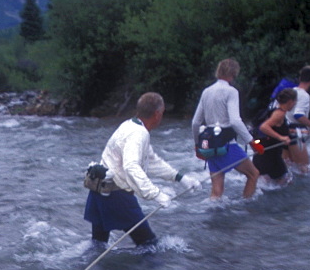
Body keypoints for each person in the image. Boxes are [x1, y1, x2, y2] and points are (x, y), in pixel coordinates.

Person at [84, 92, 194, 246]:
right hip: (116, 195)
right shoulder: (139, 134)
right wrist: (156, 194)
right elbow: (131, 166)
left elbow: (152, 161)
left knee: (98, 245)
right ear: (156, 114)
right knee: (149, 245)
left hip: (99, 191)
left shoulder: (129, 125)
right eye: (162, 113)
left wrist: (180, 178)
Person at [191, 58, 260, 200]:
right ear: (234, 74)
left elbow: (195, 122)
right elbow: (235, 121)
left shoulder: (206, 91)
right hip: (227, 145)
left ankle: (212, 217)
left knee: (216, 191)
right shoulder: (231, 91)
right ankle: (246, 208)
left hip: (209, 145)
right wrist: (252, 142)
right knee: (253, 174)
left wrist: (198, 145)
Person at [253, 88, 296, 187]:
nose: (294, 104)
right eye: (294, 102)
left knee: (263, 185)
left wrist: (291, 131)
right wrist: (281, 137)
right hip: (270, 157)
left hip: (262, 154)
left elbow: (275, 127)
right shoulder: (279, 114)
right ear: (290, 102)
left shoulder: (275, 111)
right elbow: (264, 127)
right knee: (287, 182)